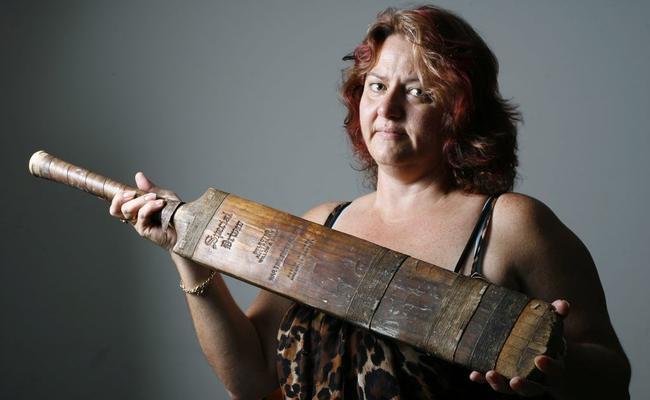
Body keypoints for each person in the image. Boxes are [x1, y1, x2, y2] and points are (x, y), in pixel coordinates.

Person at [109, 5, 630, 399]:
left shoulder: (511, 224)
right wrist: (186, 251)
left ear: (460, 112)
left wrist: (556, 372)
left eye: (419, 92)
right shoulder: (321, 224)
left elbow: (611, 371)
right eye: (376, 85)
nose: (387, 106)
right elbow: (249, 376)